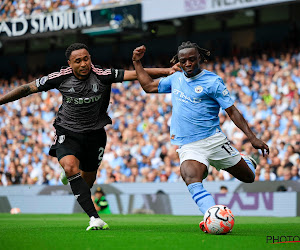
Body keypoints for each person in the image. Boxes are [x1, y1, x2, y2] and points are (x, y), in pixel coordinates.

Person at [0, 43, 178, 231]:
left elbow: (135, 74)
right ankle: (94, 218)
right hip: (68, 131)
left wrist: (167, 70)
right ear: (70, 63)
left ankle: (73, 174)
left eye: (86, 59)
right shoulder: (60, 77)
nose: (84, 64)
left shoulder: (102, 74)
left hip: (95, 133)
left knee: (88, 181)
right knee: (70, 167)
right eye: (78, 61)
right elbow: (27, 88)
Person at [132, 42, 269, 233]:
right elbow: (148, 86)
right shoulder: (176, 79)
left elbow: (233, 111)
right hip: (189, 145)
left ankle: (247, 161)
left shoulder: (213, 82)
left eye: (191, 59)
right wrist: (137, 62)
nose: (187, 63)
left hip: (214, 141)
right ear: (178, 62)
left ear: (200, 58)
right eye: (183, 60)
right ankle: (211, 217)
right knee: (190, 176)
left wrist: (252, 138)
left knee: (248, 178)